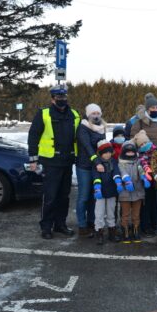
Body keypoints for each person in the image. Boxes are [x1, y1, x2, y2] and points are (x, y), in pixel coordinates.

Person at [28, 84, 79, 239]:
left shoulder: (75, 115)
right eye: (58, 97)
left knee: (64, 196)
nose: (62, 99)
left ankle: (60, 224)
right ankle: (46, 227)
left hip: (67, 161)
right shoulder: (43, 114)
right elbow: (33, 136)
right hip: (50, 162)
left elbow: (79, 138)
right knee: (50, 196)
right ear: (52, 99)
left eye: (64, 97)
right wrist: (33, 159)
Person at [75, 103, 107, 237]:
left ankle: (91, 222)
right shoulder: (82, 127)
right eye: (93, 113)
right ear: (88, 115)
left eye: (98, 113)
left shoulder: (101, 128)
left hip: (97, 166)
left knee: (94, 196)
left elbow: (103, 146)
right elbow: (87, 147)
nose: (96, 116)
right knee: (83, 196)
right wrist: (97, 161)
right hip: (84, 166)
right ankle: (82, 225)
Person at [92, 140, 122, 245]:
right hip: (100, 191)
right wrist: (97, 187)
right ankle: (99, 232)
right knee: (99, 212)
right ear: (100, 153)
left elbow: (116, 172)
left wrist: (118, 182)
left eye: (109, 152)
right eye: (105, 152)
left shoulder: (113, 161)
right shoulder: (97, 163)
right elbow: (95, 175)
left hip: (112, 191)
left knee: (111, 212)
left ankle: (112, 232)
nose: (108, 154)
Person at [117, 141, 148, 244]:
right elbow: (122, 172)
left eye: (132, 152)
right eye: (128, 152)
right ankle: (125, 230)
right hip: (125, 192)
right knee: (125, 214)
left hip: (138, 192)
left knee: (136, 214)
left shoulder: (138, 161)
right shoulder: (120, 163)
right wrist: (127, 180)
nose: (130, 154)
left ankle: (136, 230)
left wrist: (144, 177)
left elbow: (141, 170)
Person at [132, 129, 157, 236]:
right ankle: (146, 226)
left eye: (145, 142)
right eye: (141, 144)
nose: (144, 145)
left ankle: (154, 223)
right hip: (146, 182)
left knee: (155, 203)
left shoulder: (156, 151)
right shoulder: (140, 155)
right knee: (146, 204)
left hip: (156, 181)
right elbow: (142, 164)